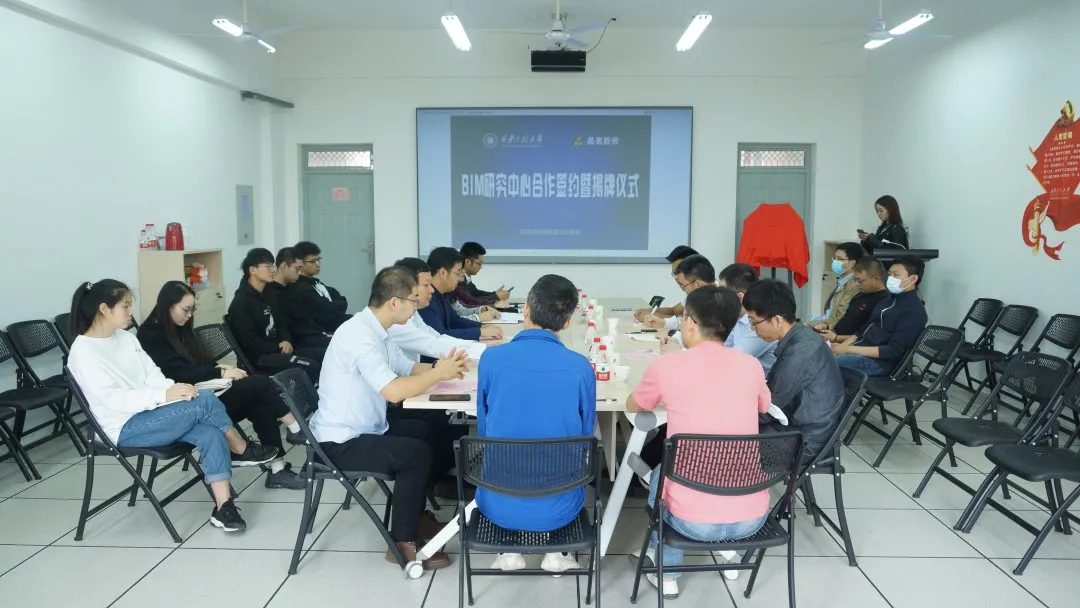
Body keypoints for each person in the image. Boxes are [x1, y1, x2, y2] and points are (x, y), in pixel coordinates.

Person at [67, 280, 278, 533]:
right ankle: (241, 448)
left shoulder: (125, 338)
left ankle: (224, 508)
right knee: (204, 401)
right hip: (123, 427)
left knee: (209, 429)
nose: (132, 312)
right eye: (125, 306)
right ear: (104, 309)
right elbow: (115, 400)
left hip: (151, 412)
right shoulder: (83, 352)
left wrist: (175, 391)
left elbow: (152, 374)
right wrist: (164, 395)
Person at [308, 267, 470, 570]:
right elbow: (394, 391)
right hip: (339, 440)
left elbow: (408, 368)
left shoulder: (379, 330)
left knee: (425, 429)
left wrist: (449, 370)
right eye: (413, 300)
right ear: (394, 302)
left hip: (366, 425)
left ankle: (416, 515)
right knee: (415, 454)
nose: (416, 306)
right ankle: (402, 543)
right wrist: (438, 374)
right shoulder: (359, 337)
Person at [626, 285, 771, 598]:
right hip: (752, 519)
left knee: (663, 470)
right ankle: (728, 553)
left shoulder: (668, 365)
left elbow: (634, 405)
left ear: (690, 322)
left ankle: (667, 573)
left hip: (693, 522)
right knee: (704, 462)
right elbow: (763, 405)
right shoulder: (751, 365)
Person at [476, 274, 595, 574]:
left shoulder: (491, 359)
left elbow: (484, 428)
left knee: (502, 454)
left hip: (497, 501)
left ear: (526, 310)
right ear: (567, 323)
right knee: (567, 459)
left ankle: (508, 549)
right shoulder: (580, 366)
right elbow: (585, 436)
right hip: (562, 506)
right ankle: (555, 552)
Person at [138, 280, 306, 490]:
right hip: (189, 404)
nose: (189, 315)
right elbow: (177, 373)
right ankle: (295, 428)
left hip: (205, 392)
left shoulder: (178, 327)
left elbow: (199, 360)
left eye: (192, 310)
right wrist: (220, 372)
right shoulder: (150, 336)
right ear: (167, 306)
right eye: (185, 309)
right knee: (260, 384)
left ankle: (278, 469)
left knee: (259, 402)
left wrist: (219, 367)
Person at [743, 280, 845, 465]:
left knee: (720, 441)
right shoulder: (800, 337)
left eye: (754, 322)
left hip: (804, 442)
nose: (752, 328)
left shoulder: (801, 352)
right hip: (795, 427)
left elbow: (769, 408)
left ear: (777, 320)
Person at [227, 248, 322, 384]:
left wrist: (286, 339)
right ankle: (300, 395)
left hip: (277, 349)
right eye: (267, 266)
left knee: (320, 355)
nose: (272, 270)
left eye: (272, 265)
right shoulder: (241, 303)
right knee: (311, 366)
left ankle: (301, 391)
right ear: (253, 270)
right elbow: (249, 341)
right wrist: (278, 347)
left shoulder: (270, 293)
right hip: (259, 358)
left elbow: (281, 322)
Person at [833, 256, 928, 377]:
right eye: (890, 274)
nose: (891, 278)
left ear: (913, 279)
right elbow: (862, 331)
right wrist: (842, 347)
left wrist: (848, 350)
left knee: (824, 362)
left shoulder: (914, 311)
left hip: (878, 364)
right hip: (859, 352)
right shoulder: (886, 301)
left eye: (896, 275)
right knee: (820, 354)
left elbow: (893, 351)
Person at [389, 258, 485, 363]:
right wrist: (481, 350)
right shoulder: (395, 323)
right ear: (408, 287)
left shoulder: (413, 312)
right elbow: (430, 344)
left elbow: (436, 337)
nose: (432, 290)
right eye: (426, 285)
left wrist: (477, 346)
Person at [419, 247, 503, 342]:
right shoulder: (426, 298)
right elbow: (440, 335)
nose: (459, 278)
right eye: (457, 272)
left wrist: (482, 326)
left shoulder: (441, 295)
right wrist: (479, 332)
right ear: (443, 272)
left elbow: (456, 321)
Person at [644, 254, 715, 349]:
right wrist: (663, 324)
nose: (683, 290)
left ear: (697, 284)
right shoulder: (701, 297)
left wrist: (680, 351)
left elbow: (708, 346)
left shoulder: (720, 304)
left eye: (683, 285)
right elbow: (685, 321)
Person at [717, 263, 777, 372]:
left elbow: (732, 360)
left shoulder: (760, 322)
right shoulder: (739, 318)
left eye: (722, 295)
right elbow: (721, 346)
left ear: (740, 297)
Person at [270, 247, 332, 351]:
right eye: (297, 268)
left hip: (311, 335)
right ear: (284, 266)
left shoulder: (294, 288)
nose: (299, 273)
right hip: (295, 343)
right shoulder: (271, 293)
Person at [816, 256, 890, 343]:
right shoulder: (860, 294)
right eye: (855, 280)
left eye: (860, 280)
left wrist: (836, 338)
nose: (857, 284)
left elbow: (867, 335)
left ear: (876, 279)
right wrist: (827, 327)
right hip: (834, 337)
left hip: (849, 344)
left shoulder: (884, 301)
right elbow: (847, 320)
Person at [291, 241, 351, 333]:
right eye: (312, 261)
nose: (318, 264)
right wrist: (333, 307)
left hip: (335, 324)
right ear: (299, 263)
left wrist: (333, 306)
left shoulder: (318, 283)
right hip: (321, 331)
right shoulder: (300, 287)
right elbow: (326, 310)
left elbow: (342, 301)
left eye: (319, 259)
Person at [806, 242, 865, 330]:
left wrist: (812, 324)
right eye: (834, 257)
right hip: (827, 324)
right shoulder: (843, 281)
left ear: (852, 263)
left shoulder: (853, 286)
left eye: (840, 259)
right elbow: (830, 314)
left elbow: (839, 319)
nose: (835, 261)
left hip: (833, 330)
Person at [634, 245, 699, 322]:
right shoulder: (692, 293)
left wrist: (650, 315)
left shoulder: (707, 295)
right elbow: (673, 311)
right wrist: (648, 310)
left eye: (678, 272)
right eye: (674, 273)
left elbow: (686, 322)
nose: (675, 277)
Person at [458, 241, 511, 305]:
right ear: (467, 262)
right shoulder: (459, 280)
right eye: (479, 263)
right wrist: (496, 297)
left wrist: (495, 294)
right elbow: (469, 301)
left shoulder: (467, 278)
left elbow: (477, 294)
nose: (480, 267)